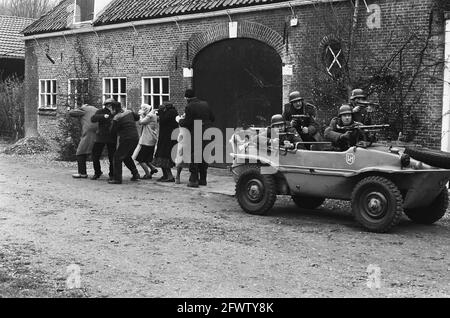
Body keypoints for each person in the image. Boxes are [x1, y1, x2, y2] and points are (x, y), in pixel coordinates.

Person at [179, 88, 215, 188]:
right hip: (209, 131)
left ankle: (193, 180)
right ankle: (203, 179)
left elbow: (187, 123)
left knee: (194, 156)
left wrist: (179, 120)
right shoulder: (205, 104)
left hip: (197, 132)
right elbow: (213, 118)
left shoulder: (189, 106)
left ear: (186, 98)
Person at [108, 101, 141, 184]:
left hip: (126, 138)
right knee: (126, 156)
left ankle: (117, 179)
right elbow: (137, 117)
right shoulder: (129, 112)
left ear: (114, 109)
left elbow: (112, 131)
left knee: (117, 157)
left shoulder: (117, 117)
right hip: (135, 137)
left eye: (111, 109)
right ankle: (135, 174)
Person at [68, 104, 98, 178]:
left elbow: (72, 113)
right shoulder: (96, 109)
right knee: (96, 154)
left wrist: (80, 107)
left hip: (88, 133)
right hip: (98, 133)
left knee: (80, 152)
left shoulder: (84, 109)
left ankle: (82, 173)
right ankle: (98, 172)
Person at [90, 98, 116, 180]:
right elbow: (93, 119)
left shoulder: (116, 112)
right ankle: (97, 172)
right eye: (108, 105)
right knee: (95, 155)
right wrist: (103, 116)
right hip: (101, 136)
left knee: (112, 156)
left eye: (111, 105)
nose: (109, 106)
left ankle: (112, 174)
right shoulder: (101, 111)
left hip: (112, 136)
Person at [152, 101, 179, 182]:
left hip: (167, 139)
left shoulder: (170, 113)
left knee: (164, 157)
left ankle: (169, 176)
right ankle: (165, 175)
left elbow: (163, 120)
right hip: (166, 138)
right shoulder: (172, 112)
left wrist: (160, 112)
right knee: (162, 156)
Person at [133, 103, 159, 179]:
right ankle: (153, 168)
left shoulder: (149, 116)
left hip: (146, 140)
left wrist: (141, 115)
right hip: (151, 140)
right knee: (147, 158)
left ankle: (148, 174)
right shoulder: (153, 115)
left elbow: (141, 122)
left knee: (140, 159)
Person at [174, 113, 189, 184]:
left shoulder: (181, 121)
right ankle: (177, 176)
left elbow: (177, 118)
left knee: (181, 159)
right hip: (184, 141)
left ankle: (177, 176)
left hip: (183, 142)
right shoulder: (185, 121)